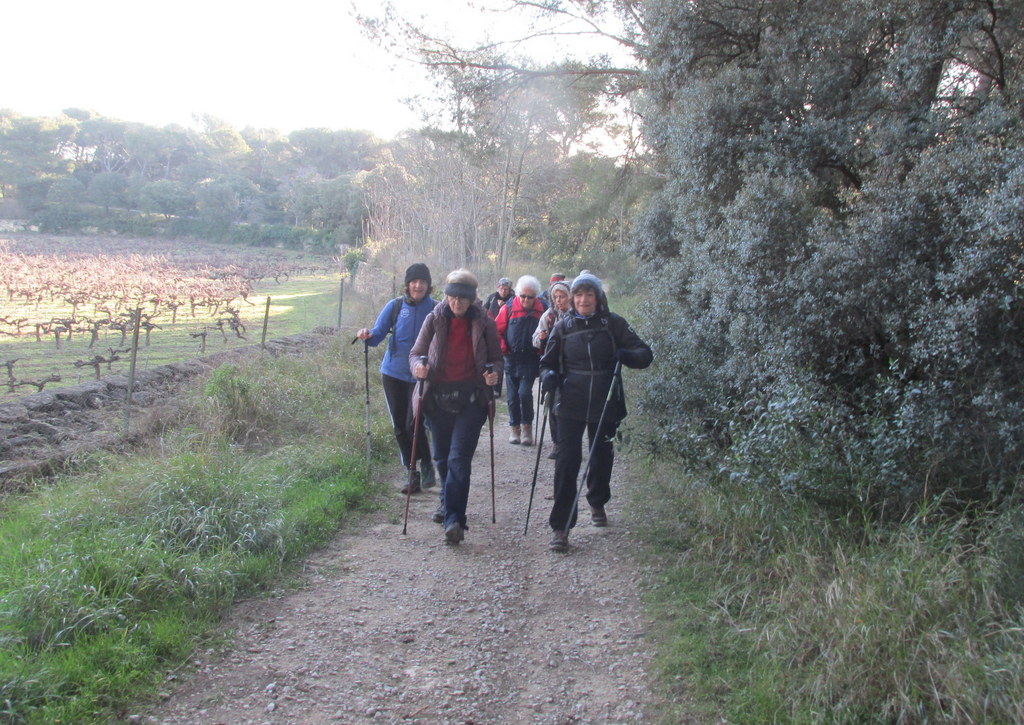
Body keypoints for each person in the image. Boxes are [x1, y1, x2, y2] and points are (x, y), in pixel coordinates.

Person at [539, 272, 653, 552]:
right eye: (578, 295)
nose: (583, 300)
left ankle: (597, 501)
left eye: (589, 294)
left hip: (606, 402)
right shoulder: (563, 327)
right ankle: (561, 527)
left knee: (601, 458)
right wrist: (550, 375)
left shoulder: (614, 324)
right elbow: (545, 364)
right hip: (569, 403)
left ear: (598, 297)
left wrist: (626, 355)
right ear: (572, 298)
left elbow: (644, 354)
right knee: (567, 463)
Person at [410, 269, 503, 544]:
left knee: (458, 460)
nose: (457, 303)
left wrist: (493, 374)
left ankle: (454, 519)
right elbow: (416, 353)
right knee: (441, 457)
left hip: (471, 400)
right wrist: (419, 368)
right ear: (446, 296)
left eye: (462, 299)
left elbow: (497, 359)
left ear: (472, 299)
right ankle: (445, 501)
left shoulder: (484, 323)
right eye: (452, 297)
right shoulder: (434, 318)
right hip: (437, 399)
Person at [356, 263, 437, 494]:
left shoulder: (436, 309)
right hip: (393, 373)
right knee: (400, 425)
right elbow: (376, 336)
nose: (418, 285)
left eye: (422, 281)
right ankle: (412, 473)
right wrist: (366, 335)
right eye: (414, 281)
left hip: (422, 375)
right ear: (407, 284)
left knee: (415, 422)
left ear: (429, 286)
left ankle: (427, 462)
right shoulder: (395, 306)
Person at [495, 275, 545, 446]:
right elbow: (497, 331)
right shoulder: (508, 308)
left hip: (531, 360)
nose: (525, 300)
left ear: (535, 296)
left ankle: (526, 427)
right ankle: (514, 428)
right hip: (511, 359)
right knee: (512, 397)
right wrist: (503, 349)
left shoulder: (543, 309)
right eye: (522, 296)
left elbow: (550, 333)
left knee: (524, 393)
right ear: (517, 294)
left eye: (529, 297)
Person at [532, 279, 572, 459]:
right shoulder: (548, 316)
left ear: (570, 297)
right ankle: (557, 443)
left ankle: (570, 441)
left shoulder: (577, 315)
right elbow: (534, 340)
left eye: (562, 296)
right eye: (555, 297)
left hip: (573, 368)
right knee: (552, 406)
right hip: (552, 368)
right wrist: (540, 338)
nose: (558, 300)